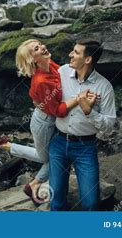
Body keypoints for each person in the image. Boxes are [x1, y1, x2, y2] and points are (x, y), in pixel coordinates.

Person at [0, 39, 97, 205]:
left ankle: (10, 148)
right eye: (37, 49)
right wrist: (78, 98)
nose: (43, 47)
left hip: (52, 119)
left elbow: (65, 80)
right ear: (33, 59)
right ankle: (32, 182)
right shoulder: (40, 81)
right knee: (49, 159)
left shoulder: (50, 64)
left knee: (52, 157)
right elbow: (59, 111)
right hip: (44, 123)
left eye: (40, 44)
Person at [49, 40, 117, 211]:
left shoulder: (104, 87)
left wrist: (89, 111)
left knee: (90, 202)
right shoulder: (62, 72)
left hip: (85, 147)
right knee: (55, 197)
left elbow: (109, 127)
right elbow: (43, 86)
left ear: (87, 59)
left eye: (76, 52)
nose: (70, 55)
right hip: (57, 142)